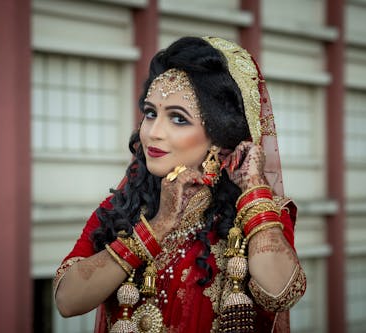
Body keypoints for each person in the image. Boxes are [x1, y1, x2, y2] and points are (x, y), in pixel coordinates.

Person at [53, 36, 306, 333]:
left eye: (178, 119)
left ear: (220, 136)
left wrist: (252, 185)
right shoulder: (122, 207)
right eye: (150, 113)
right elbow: (67, 301)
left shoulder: (259, 213)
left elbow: (279, 292)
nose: (153, 133)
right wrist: (157, 227)